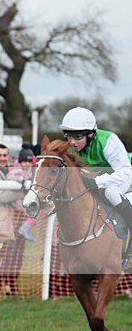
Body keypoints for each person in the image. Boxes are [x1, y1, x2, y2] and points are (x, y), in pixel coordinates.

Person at [61, 106, 132, 267]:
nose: (72, 142)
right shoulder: (70, 146)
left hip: (125, 175)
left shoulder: (108, 141)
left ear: (90, 134)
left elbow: (125, 171)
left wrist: (98, 182)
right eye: (68, 136)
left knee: (111, 192)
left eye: (77, 136)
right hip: (99, 178)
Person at [0, 143, 27, 300]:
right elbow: (2, 196)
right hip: (0, 222)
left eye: (4, 155)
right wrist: (23, 190)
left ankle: (10, 287)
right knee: (3, 257)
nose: (2, 158)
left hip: (14, 221)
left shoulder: (10, 170)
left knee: (15, 256)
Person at [7, 146, 37, 242]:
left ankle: (26, 228)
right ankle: (24, 228)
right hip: (16, 204)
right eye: (25, 162)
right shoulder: (16, 170)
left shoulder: (30, 171)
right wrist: (22, 181)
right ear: (20, 162)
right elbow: (9, 177)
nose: (27, 164)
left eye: (29, 162)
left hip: (24, 202)